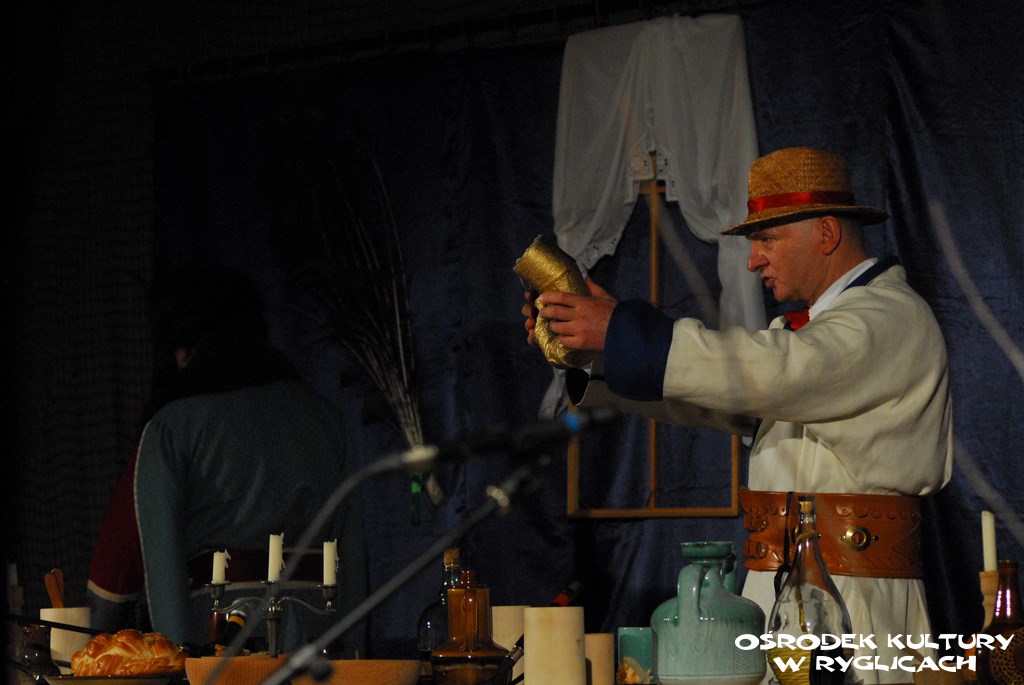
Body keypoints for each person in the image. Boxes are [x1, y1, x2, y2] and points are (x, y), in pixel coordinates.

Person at [522, 147, 953, 684]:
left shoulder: (889, 318)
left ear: (825, 233)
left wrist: (623, 330)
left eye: (767, 239)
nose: (753, 261)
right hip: (784, 595)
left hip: (855, 600)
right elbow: (715, 395)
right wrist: (598, 353)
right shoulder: (813, 333)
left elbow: (778, 371)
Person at [87, 264, 367, 655]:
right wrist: (356, 654)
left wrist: (179, 659)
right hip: (318, 640)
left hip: (218, 640)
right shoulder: (327, 420)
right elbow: (352, 559)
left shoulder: (170, 429)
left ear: (183, 348)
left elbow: (152, 564)